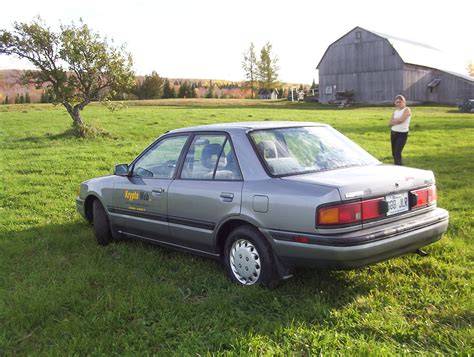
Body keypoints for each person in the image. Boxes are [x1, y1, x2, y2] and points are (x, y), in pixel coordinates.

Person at [389, 95, 411, 165]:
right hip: (393, 133)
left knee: (397, 152)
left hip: (402, 134)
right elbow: (389, 123)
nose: (398, 104)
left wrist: (395, 121)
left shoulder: (407, 109)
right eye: (396, 102)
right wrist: (397, 121)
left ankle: (399, 168)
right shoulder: (395, 111)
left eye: (400, 102)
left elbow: (401, 120)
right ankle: (397, 166)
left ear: (404, 102)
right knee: (393, 153)